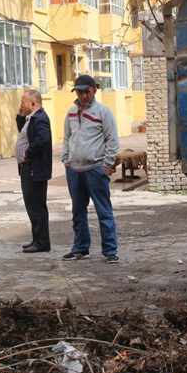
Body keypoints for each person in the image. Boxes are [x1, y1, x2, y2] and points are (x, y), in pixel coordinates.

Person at [61, 74, 120, 264]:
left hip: (95, 169)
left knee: (104, 211)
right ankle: (81, 249)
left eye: (87, 91)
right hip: (74, 170)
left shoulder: (103, 112)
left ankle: (110, 250)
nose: (84, 96)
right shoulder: (70, 112)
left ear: (94, 90)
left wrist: (105, 165)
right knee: (78, 212)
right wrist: (66, 161)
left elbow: (112, 140)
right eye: (80, 92)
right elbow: (66, 138)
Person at [15, 90, 52, 253]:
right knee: (32, 205)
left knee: (36, 206)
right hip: (28, 168)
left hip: (34, 169)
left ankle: (42, 243)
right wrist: (20, 116)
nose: (21, 104)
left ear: (33, 104)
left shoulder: (40, 118)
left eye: (23, 101)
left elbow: (43, 139)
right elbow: (23, 132)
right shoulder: (32, 119)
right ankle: (37, 239)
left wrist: (28, 152)